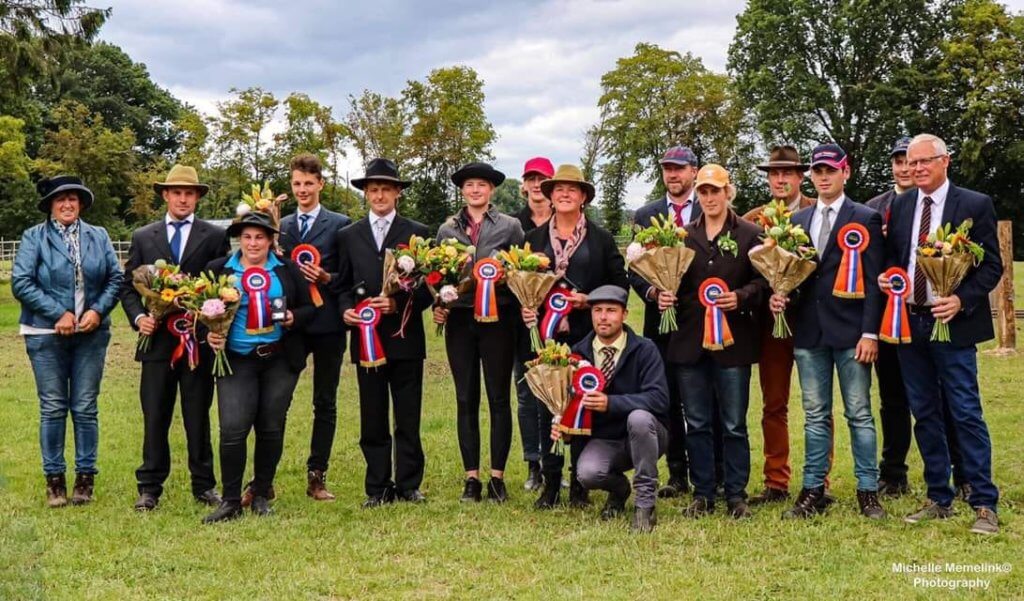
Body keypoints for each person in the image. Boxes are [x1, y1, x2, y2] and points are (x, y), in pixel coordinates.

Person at [880, 134, 1002, 535]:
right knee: (924, 412)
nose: (915, 169)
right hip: (909, 322)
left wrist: (961, 300)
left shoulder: (974, 204)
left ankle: (984, 502)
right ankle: (938, 496)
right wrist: (887, 278)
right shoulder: (900, 205)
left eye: (923, 162)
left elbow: (991, 266)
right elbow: (896, 259)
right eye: (910, 163)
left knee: (965, 411)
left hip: (953, 323)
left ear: (944, 161)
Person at [770, 143, 886, 520]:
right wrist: (781, 297)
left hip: (853, 334)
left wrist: (870, 333)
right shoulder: (798, 222)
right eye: (818, 171)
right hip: (809, 334)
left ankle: (868, 490)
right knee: (815, 414)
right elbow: (796, 278)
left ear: (845, 172)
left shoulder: (864, 218)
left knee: (859, 414)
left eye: (830, 171)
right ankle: (812, 490)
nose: (823, 177)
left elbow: (871, 282)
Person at [121, 164, 229, 511]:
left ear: (197, 197)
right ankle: (150, 486)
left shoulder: (213, 236)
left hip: (196, 341)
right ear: (165, 195)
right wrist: (140, 317)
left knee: (197, 414)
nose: (183, 198)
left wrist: (212, 321)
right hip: (157, 342)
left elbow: (221, 288)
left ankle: (204, 485)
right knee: (155, 414)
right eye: (177, 192)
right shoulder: (143, 236)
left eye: (189, 193)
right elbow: (128, 286)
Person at [522, 164, 629, 509]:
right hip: (547, 337)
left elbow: (620, 284)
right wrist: (528, 305)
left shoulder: (600, 239)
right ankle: (550, 482)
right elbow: (522, 284)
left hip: (586, 336)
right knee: (545, 407)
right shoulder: (534, 240)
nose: (565, 194)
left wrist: (591, 300)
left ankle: (579, 484)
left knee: (582, 403)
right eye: (558, 189)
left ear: (583, 197)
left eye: (572, 189)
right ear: (550, 196)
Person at [12, 175, 123, 507]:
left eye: (73, 198)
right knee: (53, 407)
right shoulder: (34, 237)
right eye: (60, 199)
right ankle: (55, 481)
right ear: (50, 205)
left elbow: (116, 278)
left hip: (91, 335)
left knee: (86, 407)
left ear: (82, 203)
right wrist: (57, 313)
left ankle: (85, 480)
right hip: (45, 335)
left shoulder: (98, 236)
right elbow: (21, 281)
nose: (67, 204)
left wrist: (97, 312)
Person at [866, 137, 968, 499]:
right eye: (900, 161)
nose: (906, 168)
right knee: (895, 399)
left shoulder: (953, 204)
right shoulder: (876, 208)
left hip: (935, 315)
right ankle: (895, 473)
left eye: (911, 161)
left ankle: (962, 473)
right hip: (892, 319)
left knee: (948, 400)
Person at [664, 164, 767, 519]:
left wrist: (741, 296)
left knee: (734, 423)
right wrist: (660, 292)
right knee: (697, 421)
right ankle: (703, 493)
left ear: (728, 193)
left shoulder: (750, 234)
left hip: (733, 343)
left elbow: (765, 281)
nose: (709, 198)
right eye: (704, 192)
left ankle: (736, 495)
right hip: (690, 342)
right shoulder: (680, 236)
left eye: (716, 191)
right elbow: (669, 280)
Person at [201, 211, 314, 523]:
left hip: (279, 358)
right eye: (247, 237)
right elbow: (199, 314)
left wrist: (294, 318)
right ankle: (231, 500)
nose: (253, 243)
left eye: (260, 237)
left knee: (271, 427)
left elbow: (309, 309)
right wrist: (209, 334)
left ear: (270, 240)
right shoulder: (218, 270)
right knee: (233, 429)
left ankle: (261, 492)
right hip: (236, 359)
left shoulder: (287, 270)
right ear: (240, 239)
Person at [337, 158, 431, 507]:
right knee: (372, 415)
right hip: (366, 340)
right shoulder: (348, 235)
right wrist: (345, 309)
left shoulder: (417, 232)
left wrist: (401, 303)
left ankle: (408, 484)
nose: (379, 195)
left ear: (397, 193)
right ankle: (377, 486)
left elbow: (429, 287)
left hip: (405, 338)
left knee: (407, 414)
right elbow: (342, 284)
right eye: (373, 190)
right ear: (366, 194)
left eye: (386, 189)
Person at [435, 162, 525, 503]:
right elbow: (438, 277)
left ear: (491, 190)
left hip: (498, 321)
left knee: (499, 398)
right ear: (463, 190)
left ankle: (497, 477)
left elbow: (520, 273)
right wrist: (438, 303)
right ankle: (471, 477)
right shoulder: (447, 230)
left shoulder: (510, 227)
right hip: (460, 320)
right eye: (470, 184)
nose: (475, 190)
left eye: (482, 185)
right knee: (465, 398)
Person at [552, 285, 669, 533]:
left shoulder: (645, 349)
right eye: (598, 310)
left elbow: (659, 399)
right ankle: (619, 489)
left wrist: (611, 403)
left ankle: (645, 504)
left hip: (646, 434)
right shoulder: (576, 354)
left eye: (611, 311)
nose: (604, 317)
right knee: (587, 474)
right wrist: (564, 426)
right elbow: (571, 404)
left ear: (624, 314)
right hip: (605, 439)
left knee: (638, 418)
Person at [741, 145, 817, 505]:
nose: (781, 179)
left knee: (818, 406)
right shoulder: (753, 219)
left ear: (801, 176)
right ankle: (776, 480)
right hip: (770, 325)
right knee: (773, 404)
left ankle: (820, 480)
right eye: (775, 173)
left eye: (788, 173)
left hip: (815, 323)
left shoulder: (819, 212)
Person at [276, 153, 352, 503]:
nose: (303, 190)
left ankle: (317, 476)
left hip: (328, 325)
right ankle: (263, 478)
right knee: (278, 400)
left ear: (321, 184)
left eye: (309, 183)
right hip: (291, 323)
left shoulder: (340, 224)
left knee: (325, 400)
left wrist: (327, 277)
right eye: (297, 184)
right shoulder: (283, 225)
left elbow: (350, 276)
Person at [629, 145, 703, 498]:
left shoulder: (709, 206)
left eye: (679, 168)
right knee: (666, 398)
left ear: (693, 171)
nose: (673, 175)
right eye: (667, 169)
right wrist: (653, 294)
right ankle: (676, 473)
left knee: (701, 400)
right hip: (659, 322)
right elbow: (635, 268)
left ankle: (709, 470)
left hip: (702, 318)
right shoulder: (646, 215)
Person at [510, 156, 555, 492]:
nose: (537, 185)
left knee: (558, 390)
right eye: (531, 179)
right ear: (523, 184)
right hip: (522, 322)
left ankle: (558, 462)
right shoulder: (514, 226)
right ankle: (533, 464)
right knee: (527, 394)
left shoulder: (564, 221)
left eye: (543, 179)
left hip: (558, 322)